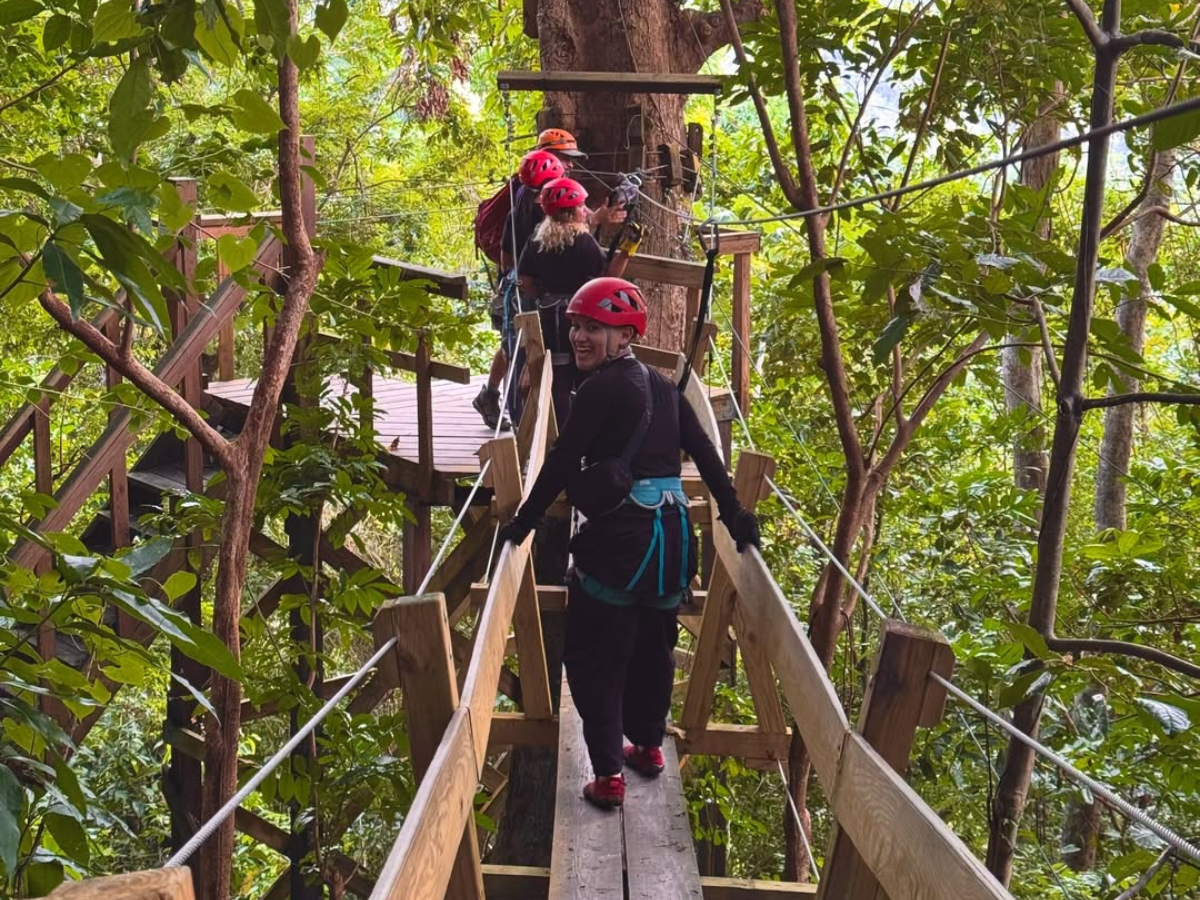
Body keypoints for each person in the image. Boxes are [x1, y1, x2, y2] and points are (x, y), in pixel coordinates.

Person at [497, 278, 761, 809]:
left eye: (594, 328)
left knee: (595, 656)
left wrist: (524, 522)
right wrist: (734, 515)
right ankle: (647, 746)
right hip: (672, 544)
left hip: (621, 545)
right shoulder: (667, 390)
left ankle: (608, 776)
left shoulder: (599, 389)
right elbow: (706, 455)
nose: (579, 337)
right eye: (576, 326)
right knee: (653, 652)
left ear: (625, 337)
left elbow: (563, 459)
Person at [518, 177, 631, 427]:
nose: (585, 211)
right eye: (581, 206)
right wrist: (626, 252)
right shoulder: (583, 241)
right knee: (585, 371)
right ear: (570, 212)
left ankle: (556, 432)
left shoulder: (537, 238)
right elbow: (608, 278)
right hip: (579, 317)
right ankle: (583, 429)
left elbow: (525, 281)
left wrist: (543, 294)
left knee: (558, 375)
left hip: (549, 316)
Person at [473, 150, 565, 431]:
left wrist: (509, 278)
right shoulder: (543, 213)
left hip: (512, 286)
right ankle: (520, 424)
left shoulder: (519, 201)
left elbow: (505, 256)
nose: (571, 165)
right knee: (521, 353)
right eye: (566, 160)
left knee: (512, 347)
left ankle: (491, 396)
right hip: (526, 291)